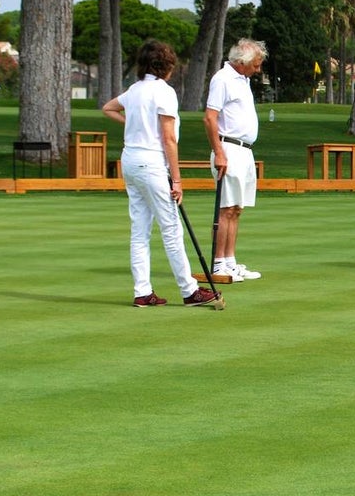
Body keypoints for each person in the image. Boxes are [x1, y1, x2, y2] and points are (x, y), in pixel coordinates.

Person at [102, 40, 220, 308]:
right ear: (167, 66)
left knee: (140, 230)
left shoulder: (134, 90)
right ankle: (189, 290)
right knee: (171, 228)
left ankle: (142, 292)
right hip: (152, 163)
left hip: (130, 160)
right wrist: (177, 179)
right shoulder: (164, 92)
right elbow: (169, 140)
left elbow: (108, 108)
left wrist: (132, 124)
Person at [204, 38, 266, 282]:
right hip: (228, 148)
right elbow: (210, 118)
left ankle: (230, 261)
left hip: (245, 151)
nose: (258, 70)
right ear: (242, 62)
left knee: (237, 209)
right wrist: (218, 152)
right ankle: (218, 264)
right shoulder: (222, 79)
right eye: (256, 65)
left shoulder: (243, 79)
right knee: (226, 208)